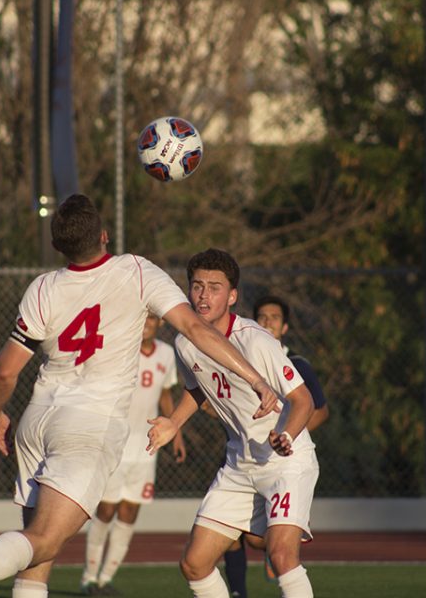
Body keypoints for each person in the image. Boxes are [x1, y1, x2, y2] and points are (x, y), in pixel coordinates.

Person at [0, 195, 278, 598]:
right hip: (88, 426)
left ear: (58, 247)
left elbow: (4, 370)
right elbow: (196, 329)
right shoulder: (136, 270)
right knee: (47, 541)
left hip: (38, 420)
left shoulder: (43, 288)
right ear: (105, 236)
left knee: (36, 561)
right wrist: (256, 378)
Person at [147, 248, 319, 598]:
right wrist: (173, 423)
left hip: (287, 460)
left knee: (282, 555)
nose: (204, 295)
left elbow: (304, 400)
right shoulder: (185, 342)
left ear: (233, 295)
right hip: (239, 463)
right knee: (194, 564)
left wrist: (286, 435)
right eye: (197, 286)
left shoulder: (257, 341)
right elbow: (198, 391)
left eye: (215, 287)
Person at [222, 296, 331, 597]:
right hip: (242, 456)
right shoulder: (237, 357)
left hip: (283, 461)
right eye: (262, 316)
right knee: (227, 532)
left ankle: (279, 559)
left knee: (265, 542)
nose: (267, 321)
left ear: (284, 326)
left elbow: (318, 410)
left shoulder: (297, 365)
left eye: (274, 317)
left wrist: (286, 434)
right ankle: (238, 593)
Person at [80, 312, 186, 595]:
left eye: (152, 319)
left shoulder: (166, 354)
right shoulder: (121, 348)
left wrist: (176, 432)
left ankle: (106, 579)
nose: (147, 323)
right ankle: (89, 577)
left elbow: (165, 394)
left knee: (129, 512)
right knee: (106, 509)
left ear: (159, 323)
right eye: (143, 318)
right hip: (115, 443)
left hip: (146, 447)